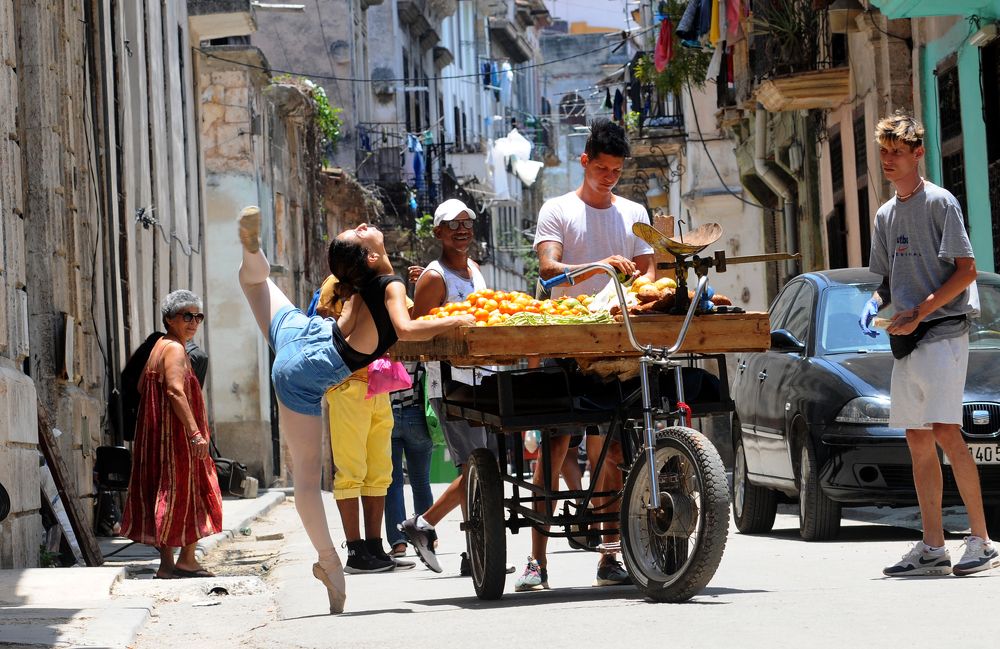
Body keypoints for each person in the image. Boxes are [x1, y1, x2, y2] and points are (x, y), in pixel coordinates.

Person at [237, 206, 473, 613]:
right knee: (307, 482)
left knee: (256, 284)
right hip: (305, 370)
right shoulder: (388, 284)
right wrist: (453, 321)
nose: (365, 225)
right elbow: (406, 330)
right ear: (369, 257)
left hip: (302, 331)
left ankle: (251, 251)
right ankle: (330, 565)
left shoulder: (362, 287)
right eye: (360, 231)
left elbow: (366, 325)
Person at [858, 112, 998, 577]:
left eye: (897, 152)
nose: (888, 161)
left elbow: (967, 270)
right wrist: (874, 302)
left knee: (945, 431)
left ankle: (981, 540)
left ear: (918, 153)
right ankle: (933, 546)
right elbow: (883, 280)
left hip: (943, 331)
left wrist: (922, 309)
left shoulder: (941, 203)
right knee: (917, 439)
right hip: (906, 337)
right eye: (883, 153)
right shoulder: (885, 213)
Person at [518, 119, 655, 591]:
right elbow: (549, 272)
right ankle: (536, 561)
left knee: (613, 447)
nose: (608, 177)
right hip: (566, 340)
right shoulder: (557, 210)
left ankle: (610, 555)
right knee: (554, 449)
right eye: (601, 168)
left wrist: (645, 285)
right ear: (584, 160)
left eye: (616, 169)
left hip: (618, 344)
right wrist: (597, 266)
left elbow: (648, 279)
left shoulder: (635, 213)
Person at [397, 198, 499, 576]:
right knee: (476, 468)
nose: (462, 229)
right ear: (438, 232)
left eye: (467, 223)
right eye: (452, 224)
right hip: (452, 382)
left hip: (484, 377)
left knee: (484, 469)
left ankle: (476, 552)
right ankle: (422, 524)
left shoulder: (473, 267)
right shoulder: (435, 277)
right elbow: (416, 336)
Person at [313, 275, 414, 573]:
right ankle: (356, 551)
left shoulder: (384, 282)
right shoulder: (336, 283)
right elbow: (325, 320)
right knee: (351, 469)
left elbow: (407, 314)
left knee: (380, 470)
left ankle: (374, 546)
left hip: (378, 385)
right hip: (346, 385)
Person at [120, 290, 223, 580]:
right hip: (177, 438)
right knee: (195, 491)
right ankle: (187, 560)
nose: (193, 322)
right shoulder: (176, 350)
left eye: (197, 316)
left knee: (164, 493)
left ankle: (168, 565)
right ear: (169, 319)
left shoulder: (159, 347)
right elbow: (176, 391)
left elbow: (142, 385)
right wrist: (194, 432)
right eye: (186, 316)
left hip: (159, 437)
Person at [383, 361, 435, 559]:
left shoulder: (383, 346)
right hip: (417, 414)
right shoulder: (417, 344)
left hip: (388, 414)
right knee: (421, 482)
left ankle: (399, 543)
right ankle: (426, 539)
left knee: (393, 483)